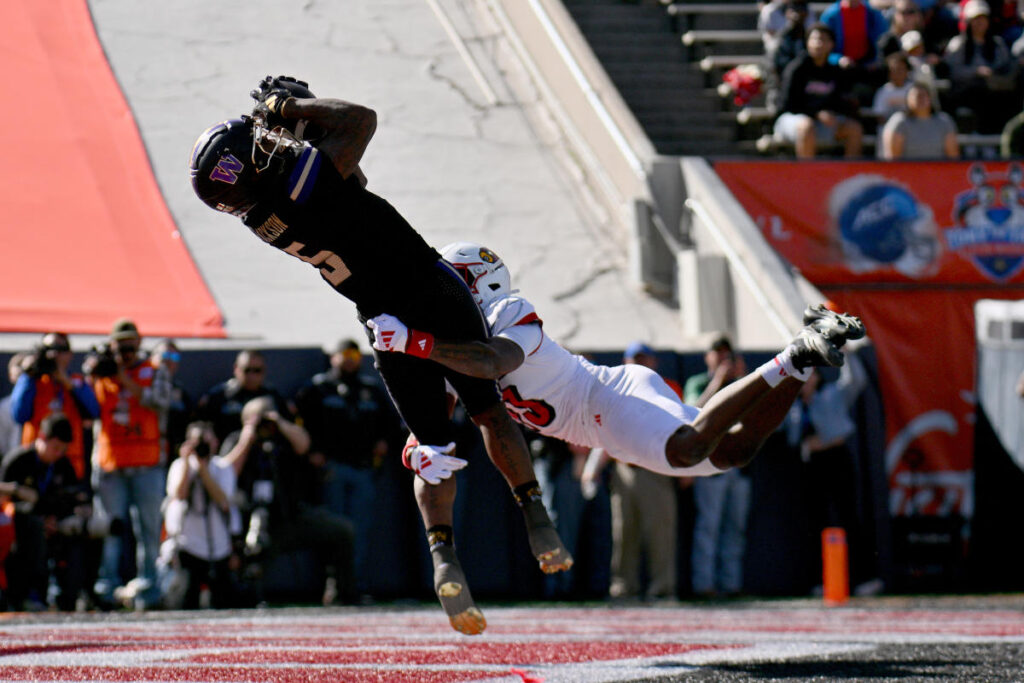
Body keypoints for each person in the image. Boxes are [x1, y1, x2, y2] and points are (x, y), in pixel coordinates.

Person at [190, 76, 572, 635]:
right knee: (486, 407)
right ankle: (534, 511)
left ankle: (442, 554)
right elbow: (362, 121)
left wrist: (295, 127)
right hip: (429, 289)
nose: (267, 143)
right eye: (258, 149)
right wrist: (289, 106)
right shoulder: (300, 187)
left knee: (432, 445)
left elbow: (353, 181)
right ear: (248, 174)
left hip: (382, 324)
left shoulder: (261, 215)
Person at [369, 241, 864, 511]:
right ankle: (801, 362)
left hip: (605, 398)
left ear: (476, 283)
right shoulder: (457, 351)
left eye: (452, 287)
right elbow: (435, 423)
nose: (442, 299)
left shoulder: (507, 311)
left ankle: (791, 352)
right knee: (729, 452)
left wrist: (414, 342)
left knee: (689, 447)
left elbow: (492, 363)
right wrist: (420, 449)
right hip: (599, 424)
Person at [221, 396, 354, 606]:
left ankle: (339, 595)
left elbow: (304, 445)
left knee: (342, 531)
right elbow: (227, 472)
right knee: (254, 545)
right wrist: (248, 436)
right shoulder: (237, 440)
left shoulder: (284, 439)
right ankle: (248, 598)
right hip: (250, 523)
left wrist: (279, 422)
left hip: (290, 518)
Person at [294, 339, 396, 599]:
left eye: (354, 353)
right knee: (333, 529)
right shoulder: (317, 388)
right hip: (331, 468)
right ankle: (332, 585)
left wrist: (383, 443)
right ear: (332, 357)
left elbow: (390, 423)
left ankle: (354, 585)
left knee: (360, 531)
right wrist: (313, 453)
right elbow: (298, 421)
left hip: (363, 469)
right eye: (344, 354)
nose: (350, 359)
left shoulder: (370, 389)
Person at [86, 318, 172, 610]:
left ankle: (148, 589)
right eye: (119, 347)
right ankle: (106, 590)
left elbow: (162, 402)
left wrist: (126, 380)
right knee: (111, 529)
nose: (125, 353)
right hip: (111, 465)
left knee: (148, 529)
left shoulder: (154, 371)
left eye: (130, 346)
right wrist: (97, 369)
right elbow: (87, 406)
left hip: (147, 464)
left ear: (139, 344)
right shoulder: (100, 373)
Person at [605, 342, 681, 601]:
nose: (639, 363)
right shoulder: (614, 388)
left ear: (654, 362)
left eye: (644, 358)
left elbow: (680, 426)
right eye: (634, 358)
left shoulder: (668, 387)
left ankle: (662, 589)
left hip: (656, 466)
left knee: (660, 532)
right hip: (624, 468)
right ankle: (623, 588)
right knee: (623, 532)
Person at [0, 414, 98, 611]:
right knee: (33, 528)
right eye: (55, 448)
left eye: (63, 449)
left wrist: (56, 517)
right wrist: (18, 491)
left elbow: (70, 499)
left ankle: (74, 595)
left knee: (83, 532)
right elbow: (4, 496)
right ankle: (32, 594)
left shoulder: (63, 465)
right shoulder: (18, 461)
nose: (58, 453)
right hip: (22, 525)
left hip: (55, 524)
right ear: (42, 438)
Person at [684, 335, 752, 599]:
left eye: (727, 354)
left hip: (738, 465)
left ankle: (731, 584)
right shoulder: (699, 382)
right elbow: (692, 412)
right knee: (708, 526)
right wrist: (718, 382)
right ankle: (704, 585)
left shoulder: (742, 384)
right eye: (718, 353)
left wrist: (745, 379)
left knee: (735, 528)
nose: (723, 359)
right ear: (707, 357)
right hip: (710, 465)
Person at [161, 421, 237, 609]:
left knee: (223, 605)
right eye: (197, 442)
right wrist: (189, 463)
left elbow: (222, 500)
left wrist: (203, 470)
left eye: (206, 441)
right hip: (188, 545)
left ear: (216, 443)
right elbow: (179, 495)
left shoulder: (223, 467)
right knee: (183, 603)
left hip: (218, 547)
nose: (203, 446)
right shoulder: (180, 465)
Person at [10, 332, 100, 479]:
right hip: (35, 462)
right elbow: (18, 414)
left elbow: (93, 411)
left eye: (60, 349)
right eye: (49, 349)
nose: (54, 354)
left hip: (69, 463)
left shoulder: (76, 381)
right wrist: (28, 374)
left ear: (69, 354)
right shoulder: (33, 381)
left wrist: (66, 381)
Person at [774, 24, 865, 158]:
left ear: (831, 45)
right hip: (791, 121)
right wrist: (816, 113)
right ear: (807, 43)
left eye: (823, 39)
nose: (818, 43)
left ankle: (848, 176)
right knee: (806, 126)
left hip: (820, 123)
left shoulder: (834, 71)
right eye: (814, 39)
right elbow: (787, 104)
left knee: (854, 129)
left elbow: (838, 102)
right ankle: (807, 175)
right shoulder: (797, 69)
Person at [944, 0, 1019, 135]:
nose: (980, 23)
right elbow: (953, 71)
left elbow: (1006, 67)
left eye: (983, 18)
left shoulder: (997, 44)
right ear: (968, 22)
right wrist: (976, 72)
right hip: (967, 93)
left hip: (994, 91)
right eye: (975, 19)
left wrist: (993, 74)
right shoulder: (958, 44)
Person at [196, 350, 292, 445]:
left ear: (264, 371)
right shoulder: (220, 396)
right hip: (226, 454)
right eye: (247, 370)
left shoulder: (272, 396)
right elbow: (202, 426)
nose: (251, 375)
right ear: (236, 368)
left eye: (257, 370)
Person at [881, 81, 961, 157]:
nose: (920, 99)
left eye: (924, 95)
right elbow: (894, 158)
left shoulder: (944, 121)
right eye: (917, 96)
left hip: (937, 170)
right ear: (907, 100)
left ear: (930, 99)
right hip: (907, 170)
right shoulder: (899, 121)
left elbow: (952, 156)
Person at [151, 339, 192, 467]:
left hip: (173, 455)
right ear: (153, 357)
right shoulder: (142, 386)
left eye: (174, 357)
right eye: (165, 355)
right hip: (148, 450)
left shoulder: (181, 392)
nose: (169, 361)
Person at [872, 52, 915, 124]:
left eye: (901, 69)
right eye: (894, 70)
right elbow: (879, 115)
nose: (897, 73)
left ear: (907, 70)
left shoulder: (914, 89)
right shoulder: (883, 91)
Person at [0, 353, 30, 457]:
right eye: (19, 377)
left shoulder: (42, 402)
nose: (23, 382)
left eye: (26, 377)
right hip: (11, 462)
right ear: (11, 376)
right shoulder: (4, 407)